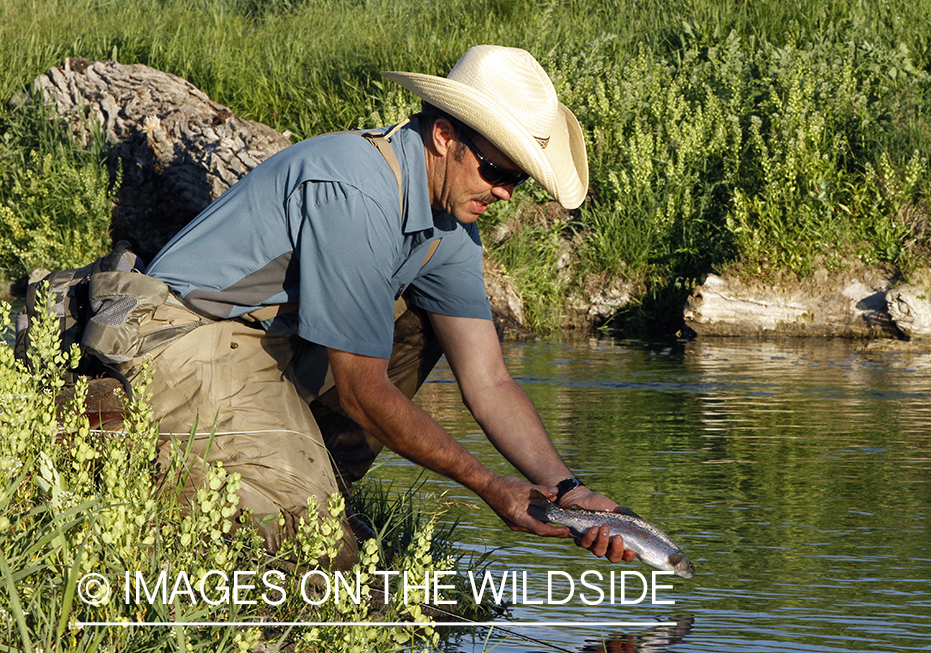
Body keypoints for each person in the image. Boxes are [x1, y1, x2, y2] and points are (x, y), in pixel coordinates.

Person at [111, 45, 636, 569]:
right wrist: (490, 485)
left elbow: (490, 381)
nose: (503, 192)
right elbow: (364, 392)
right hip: (182, 331)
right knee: (315, 552)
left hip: (268, 342)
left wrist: (567, 489)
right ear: (445, 137)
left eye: (517, 179)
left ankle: (311, 481)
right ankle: (280, 495)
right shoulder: (356, 192)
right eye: (496, 169)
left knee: (423, 322)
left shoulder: (451, 226)